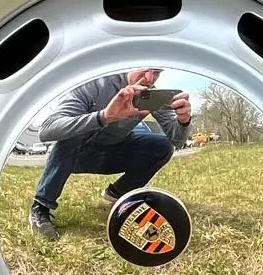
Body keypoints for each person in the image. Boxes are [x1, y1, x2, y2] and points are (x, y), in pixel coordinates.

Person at [29, 69, 192, 239]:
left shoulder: (152, 95)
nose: (149, 79)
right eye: (145, 70)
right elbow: (47, 130)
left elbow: (177, 140)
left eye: (157, 73)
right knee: (72, 136)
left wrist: (184, 121)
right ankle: (40, 206)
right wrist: (104, 117)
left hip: (111, 151)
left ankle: (118, 194)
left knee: (162, 146)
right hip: (74, 155)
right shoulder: (92, 85)